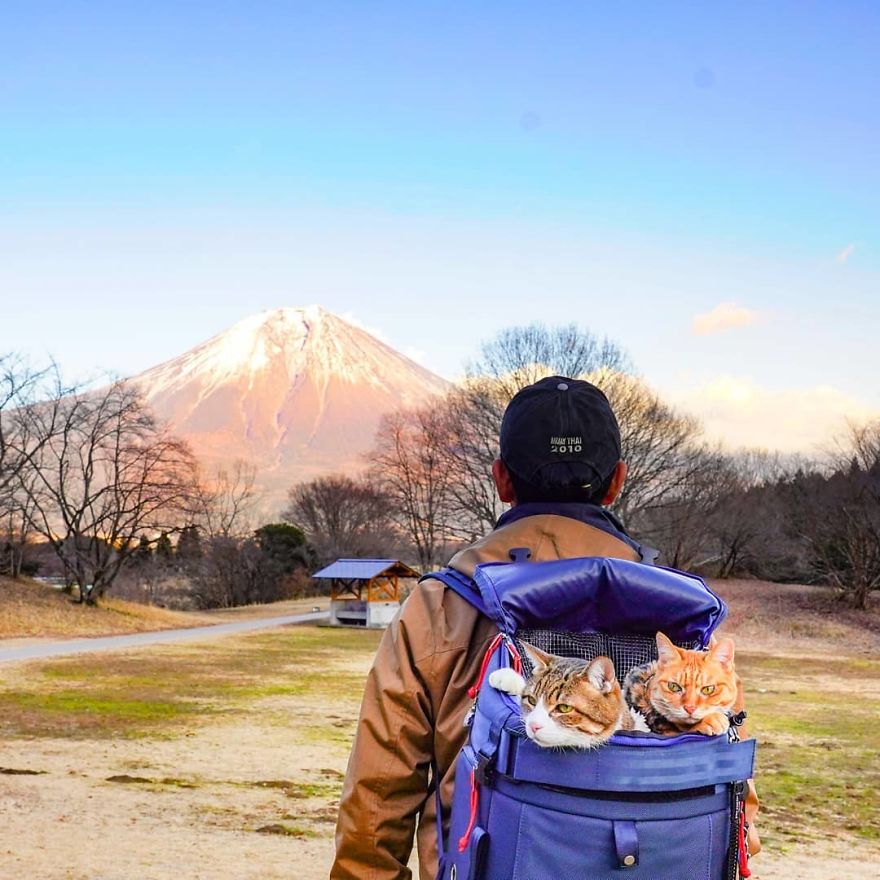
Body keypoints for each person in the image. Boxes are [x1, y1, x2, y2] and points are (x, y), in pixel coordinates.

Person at [330, 376, 758, 880]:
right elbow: (732, 785)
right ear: (617, 480)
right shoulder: (676, 611)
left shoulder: (440, 602)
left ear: (501, 480)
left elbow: (379, 790)